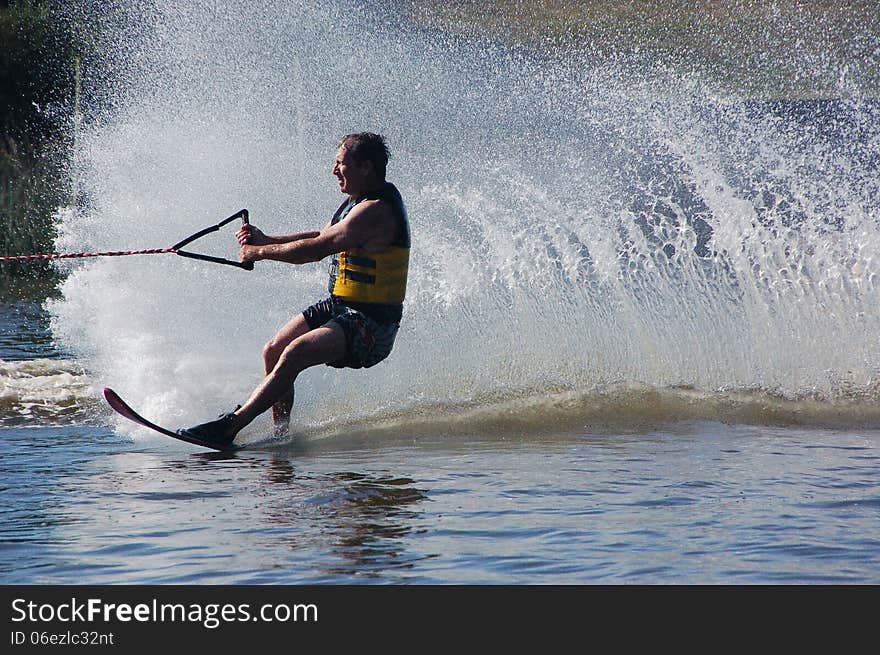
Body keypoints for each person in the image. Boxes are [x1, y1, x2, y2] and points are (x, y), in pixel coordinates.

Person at [178, 132, 410, 445]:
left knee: (295, 352)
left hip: (372, 323)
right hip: (341, 306)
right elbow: (321, 236)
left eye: (340, 163)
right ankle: (281, 434)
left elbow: (314, 251)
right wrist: (267, 240)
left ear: (366, 167)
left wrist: (257, 253)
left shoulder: (376, 210)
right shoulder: (356, 203)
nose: (334, 170)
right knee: (274, 350)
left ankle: (229, 428)